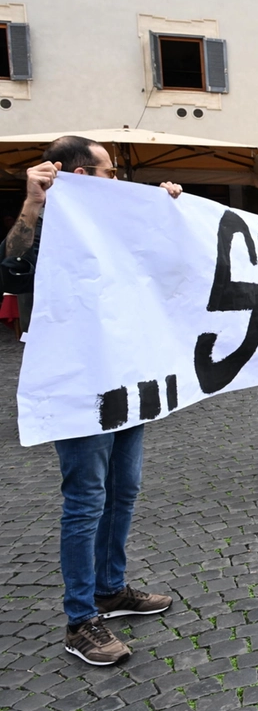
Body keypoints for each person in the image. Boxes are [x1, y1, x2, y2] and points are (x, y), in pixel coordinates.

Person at [0, 136, 179, 666]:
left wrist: (167, 211)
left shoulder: (114, 224)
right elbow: (10, 273)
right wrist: (32, 204)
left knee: (124, 490)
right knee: (86, 501)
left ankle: (111, 588)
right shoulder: (51, 224)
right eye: (109, 171)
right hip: (79, 382)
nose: (118, 179)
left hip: (127, 374)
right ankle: (81, 620)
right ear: (77, 175)